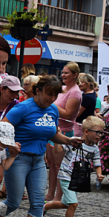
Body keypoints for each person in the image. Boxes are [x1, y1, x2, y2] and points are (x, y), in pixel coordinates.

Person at [0, 75, 81, 217]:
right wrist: (10, 144)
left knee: (37, 202)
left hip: (38, 161)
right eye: (49, 94)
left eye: (55, 95)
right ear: (38, 91)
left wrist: (68, 140)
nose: (51, 98)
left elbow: (52, 134)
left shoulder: (53, 110)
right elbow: (3, 127)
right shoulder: (23, 107)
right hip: (19, 159)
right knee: (13, 202)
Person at [44, 116, 104, 217]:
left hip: (78, 179)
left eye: (101, 132)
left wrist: (99, 174)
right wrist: (57, 137)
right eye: (97, 132)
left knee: (66, 204)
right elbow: (58, 150)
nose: (99, 135)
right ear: (86, 132)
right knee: (73, 204)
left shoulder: (95, 149)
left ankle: (44, 207)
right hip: (66, 177)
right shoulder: (74, 142)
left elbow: (97, 163)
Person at [45, 61, 81, 202]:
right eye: (63, 72)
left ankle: (59, 196)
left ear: (75, 75)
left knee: (60, 166)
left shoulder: (75, 93)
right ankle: (50, 193)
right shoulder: (63, 88)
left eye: (66, 73)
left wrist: (51, 103)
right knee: (52, 165)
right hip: (53, 130)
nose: (63, 75)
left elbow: (67, 114)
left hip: (64, 132)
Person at [74, 73, 98, 138]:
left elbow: (78, 113)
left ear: (88, 84)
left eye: (82, 82)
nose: (79, 84)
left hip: (80, 125)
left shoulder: (87, 97)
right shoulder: (92, 93)